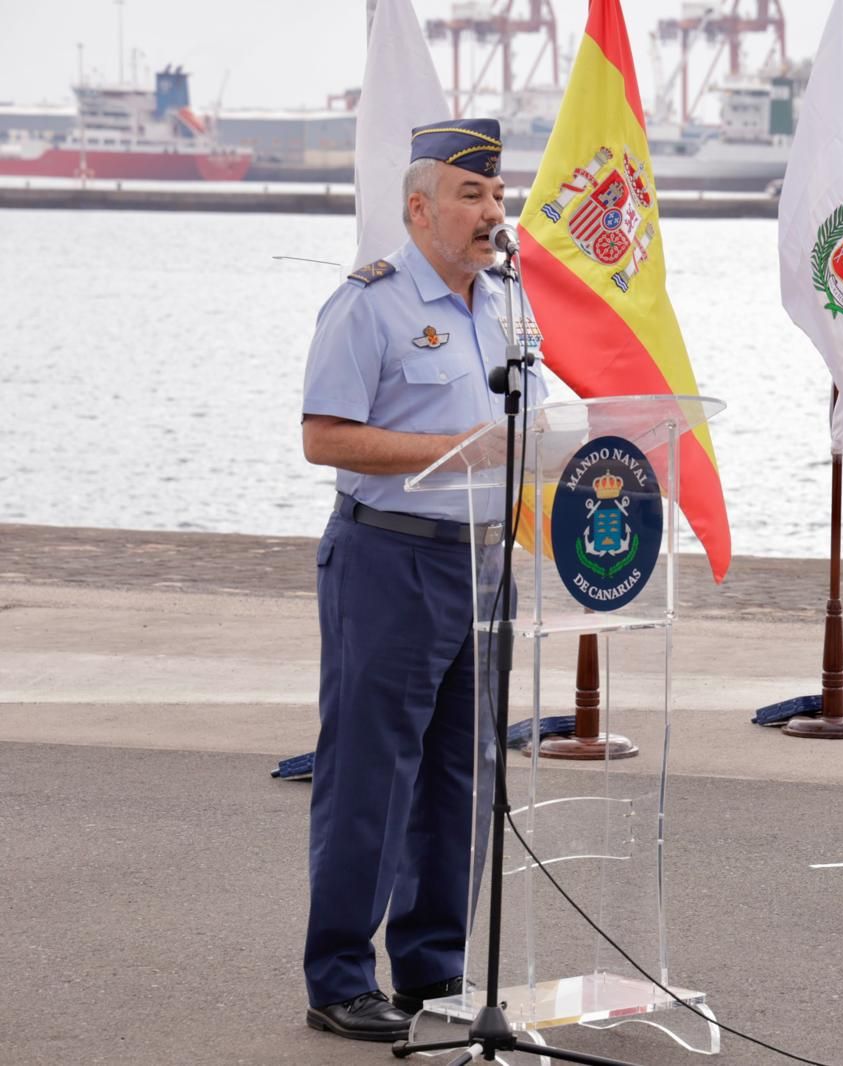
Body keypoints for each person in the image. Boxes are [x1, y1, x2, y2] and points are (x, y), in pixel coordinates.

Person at [299, 118, 547, 1041]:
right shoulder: (369, 304)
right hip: (389, 560)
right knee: (373, 772)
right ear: (419, 208)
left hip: (482, 563)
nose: (492, 212)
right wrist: (454, 450)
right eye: (471, 195)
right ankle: (337, 978)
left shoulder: (509, 305)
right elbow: (323, 436)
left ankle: (432, 967)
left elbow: (534, 427)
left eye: (497, 195)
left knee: (461, 774)